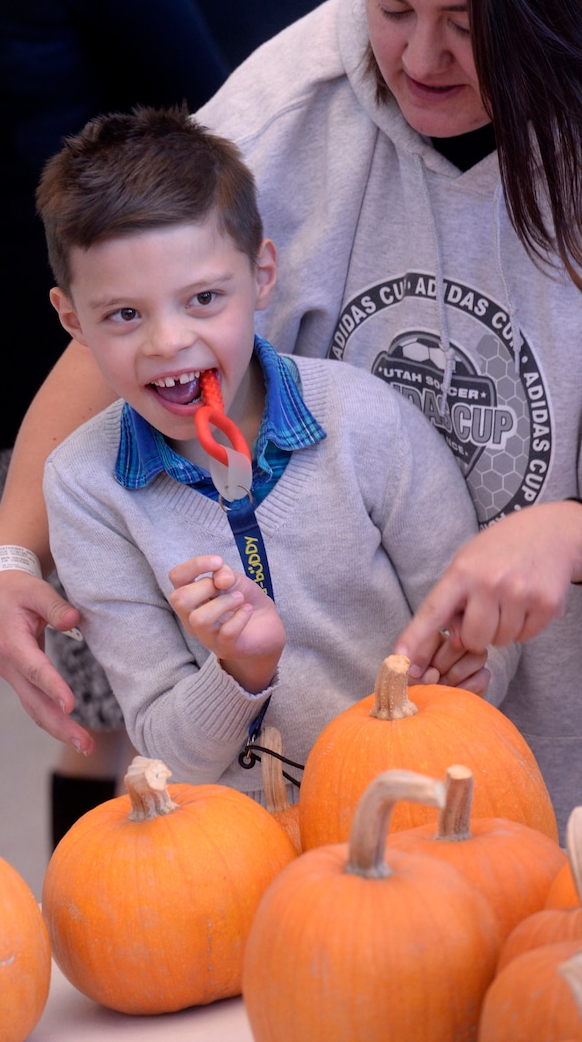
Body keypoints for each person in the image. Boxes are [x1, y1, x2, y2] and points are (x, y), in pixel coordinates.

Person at [0, 0, 582, 836]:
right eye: (390, 8)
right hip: (316, 814)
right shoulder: (288, 105)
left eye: (471, 23)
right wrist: (8, 553)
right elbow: (129, 316)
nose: (423, 58)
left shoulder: (369, 428)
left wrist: (570, 529)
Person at [34, 104, 505, 796]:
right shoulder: (84, 487)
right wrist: (238, 670)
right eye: (125, 314)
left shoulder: (364, 420)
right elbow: (169, 756)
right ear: (73, 318)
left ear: (261, 275)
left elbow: (478, 626)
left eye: (202, 298)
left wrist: (476, 665)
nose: (168, 342)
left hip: (414, 801)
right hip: (242, 845)